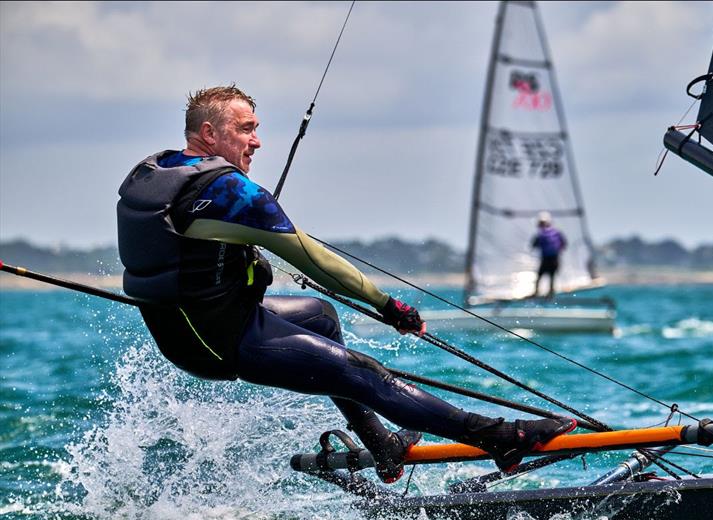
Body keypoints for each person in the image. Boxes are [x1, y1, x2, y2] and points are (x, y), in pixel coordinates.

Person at [117, 84, 575, 484]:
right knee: (364, 373)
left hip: (189, 328)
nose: (256, 141)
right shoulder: (232, 194)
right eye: (245, 129)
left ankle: (382, 446)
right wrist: (387, 305)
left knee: (321, 316)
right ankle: (501, 439)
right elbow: (318, 263)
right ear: (209, 135)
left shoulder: (159, 173)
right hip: (221, 340)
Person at [531, 211, 567, 298]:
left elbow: (534, 245)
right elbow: (564, 244)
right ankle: (550, 294)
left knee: (539, 276)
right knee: (552, 276)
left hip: (546, 259)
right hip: (555, 259)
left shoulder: (540, 234)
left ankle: (536, 293)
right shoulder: (557, 232)